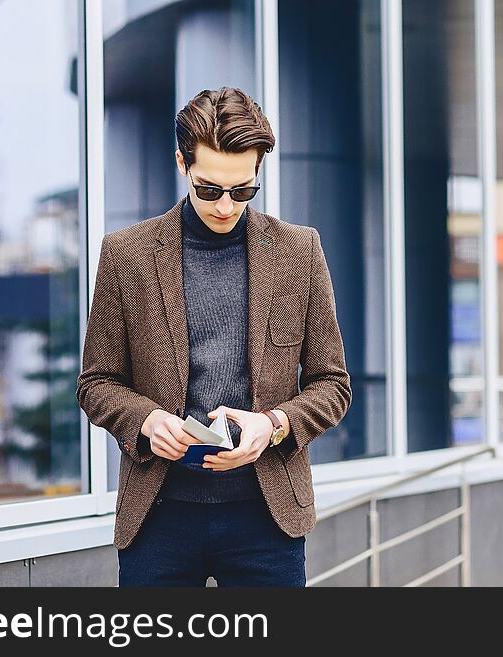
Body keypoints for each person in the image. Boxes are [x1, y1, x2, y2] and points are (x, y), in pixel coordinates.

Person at [77, 86, 352, 586]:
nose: (226, 205)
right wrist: (146, 420)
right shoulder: (126, 254)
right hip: (159, 518)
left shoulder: (299, 251)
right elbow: (96, 383)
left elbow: (333, 384)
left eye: (243, 190)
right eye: (209, 189)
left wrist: (273, 425)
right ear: (182, 164)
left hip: (268, 519)